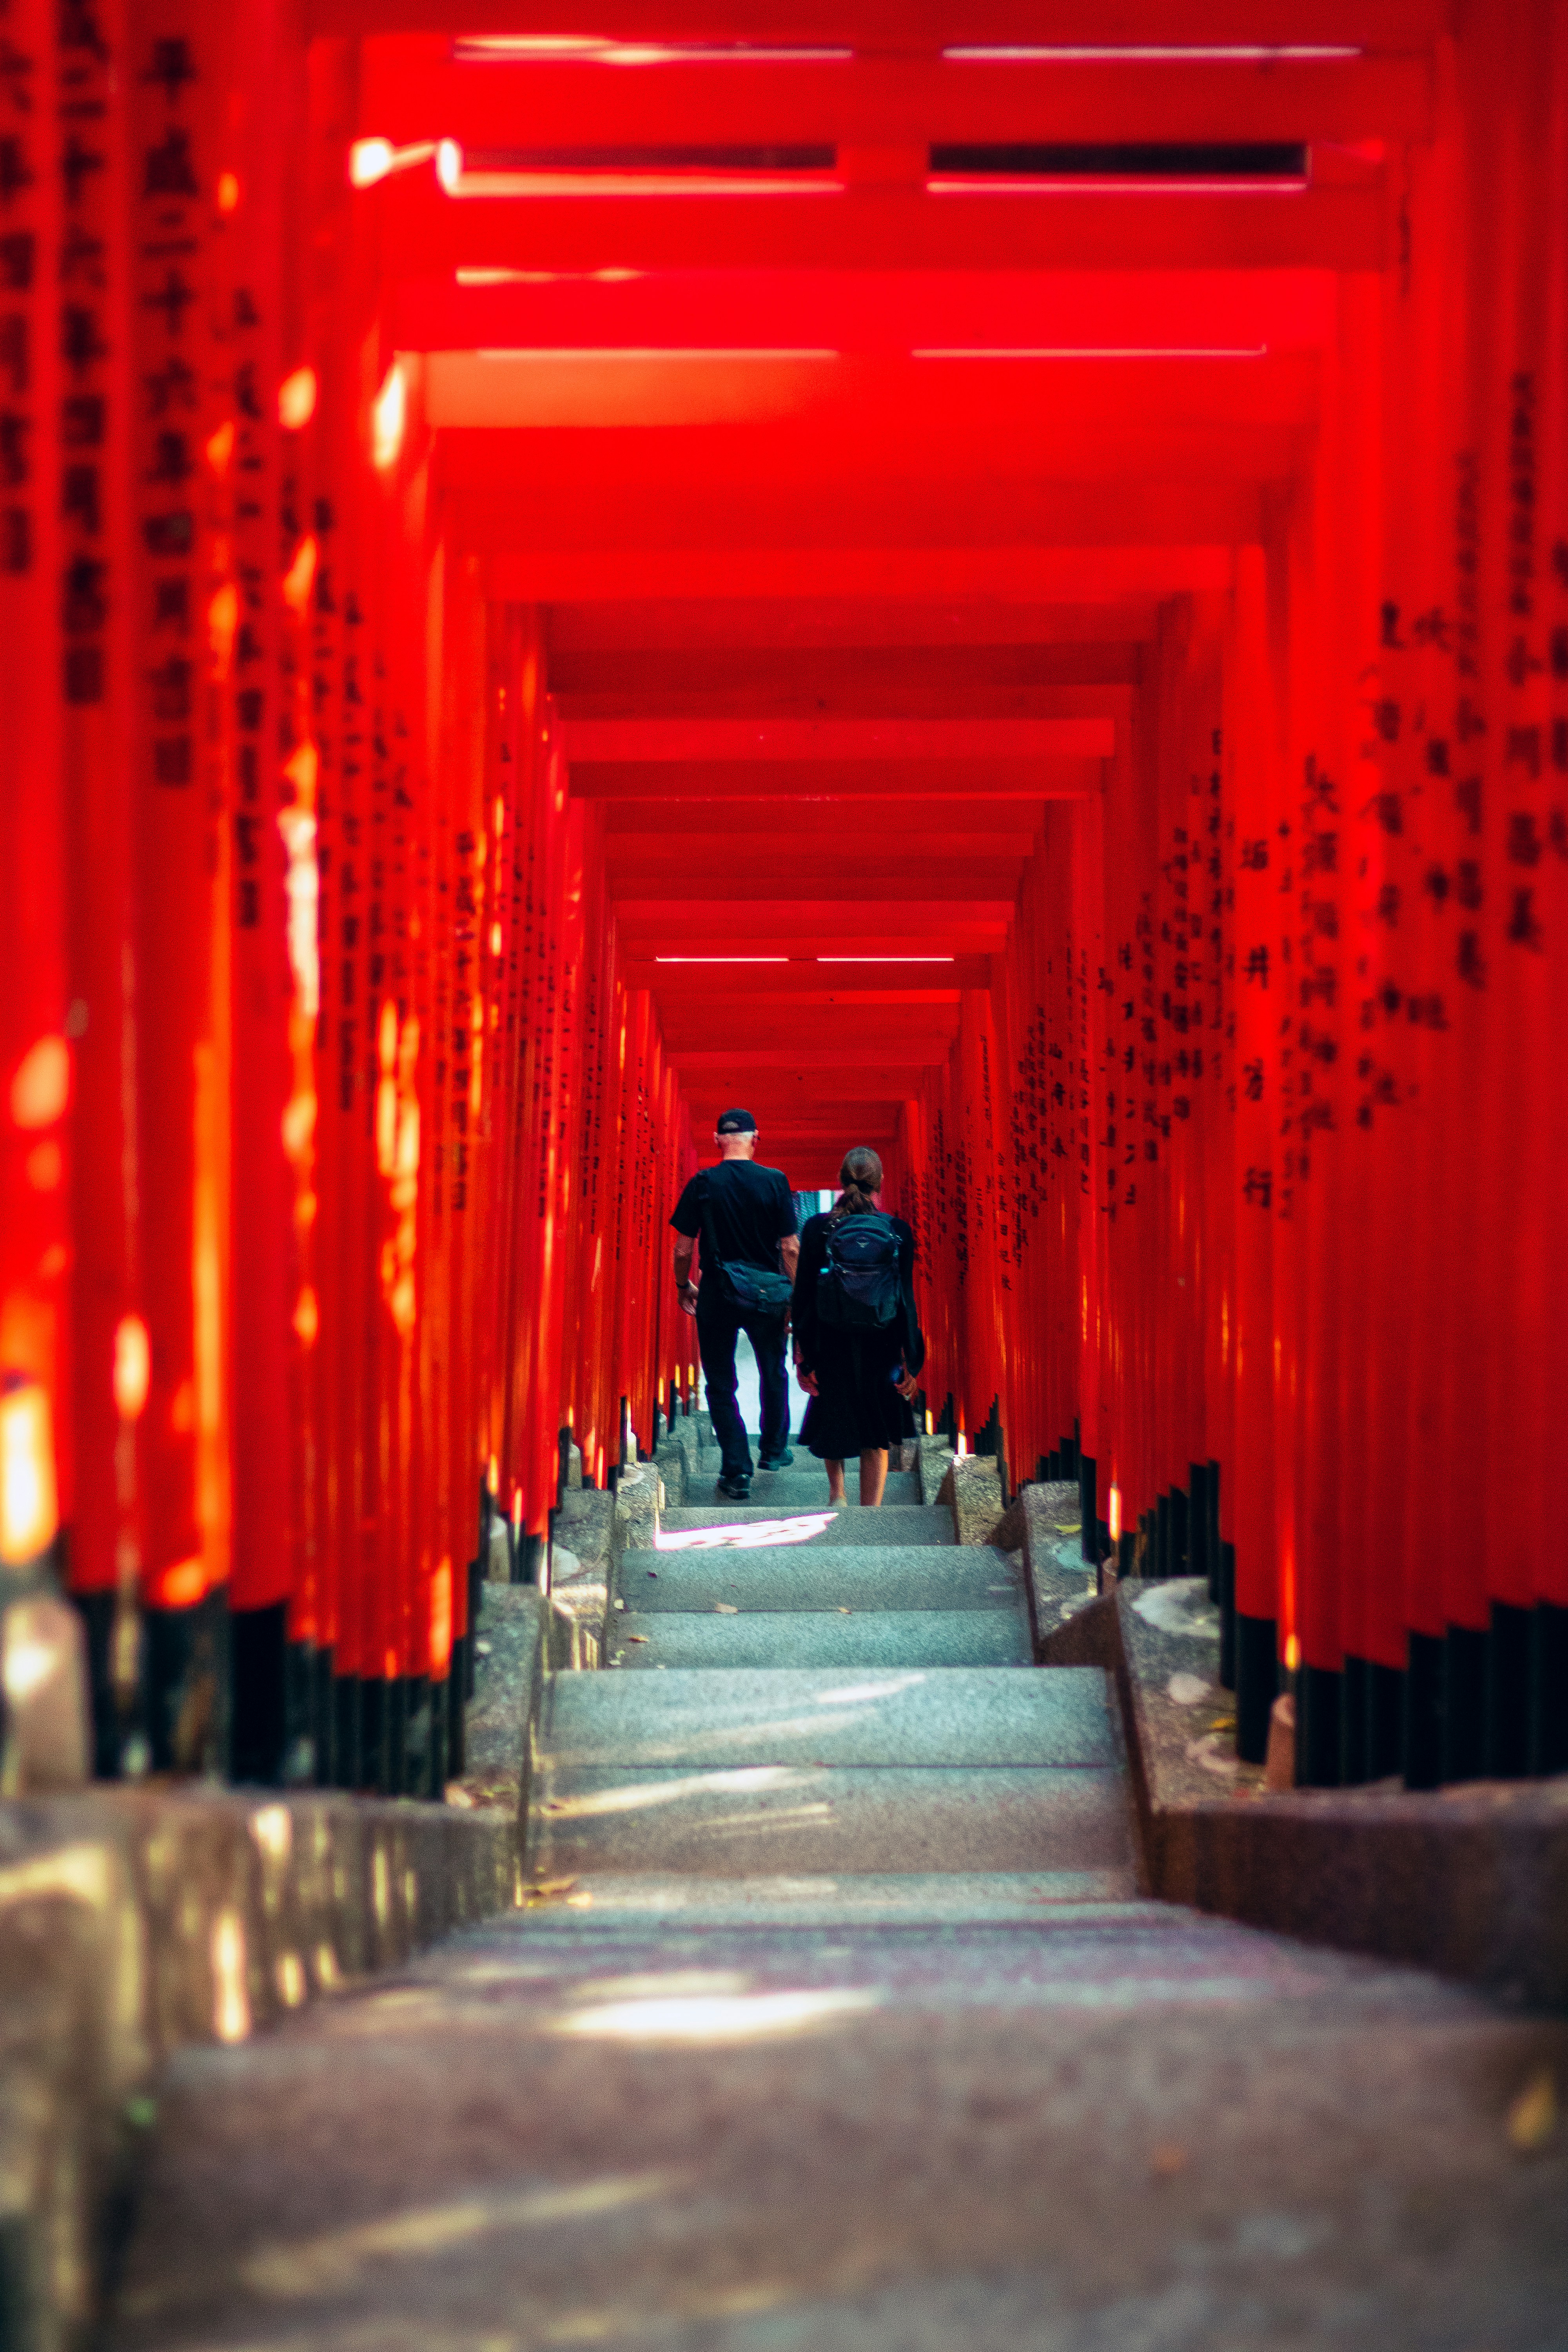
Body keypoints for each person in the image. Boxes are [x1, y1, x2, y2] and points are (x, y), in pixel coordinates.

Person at [670, 1109, 800, 1501]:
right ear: (755, 1138)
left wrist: (683, 1285)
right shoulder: (775, 1181)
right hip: (766, 1294)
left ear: (716, 1140)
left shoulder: (703, 1183)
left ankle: (736, 1470)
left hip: (717, 1291)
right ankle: (773, 1450)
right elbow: (790, 1247)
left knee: (722, 1383)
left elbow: (682, 1248)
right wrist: (796, 1295)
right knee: (773, 1370)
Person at [791, 1146, 924, 1507]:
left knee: (832, 1412)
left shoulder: (818, 1228)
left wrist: (802, 1358)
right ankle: (873, 1509)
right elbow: (905, 1298)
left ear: (841, 1180)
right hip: (881, 1341)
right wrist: (913, 1358)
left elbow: (802, 1296)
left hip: (829, 1338)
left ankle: (838, 1495)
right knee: (875, 1428)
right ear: (880, 1183)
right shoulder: (897, 1231)